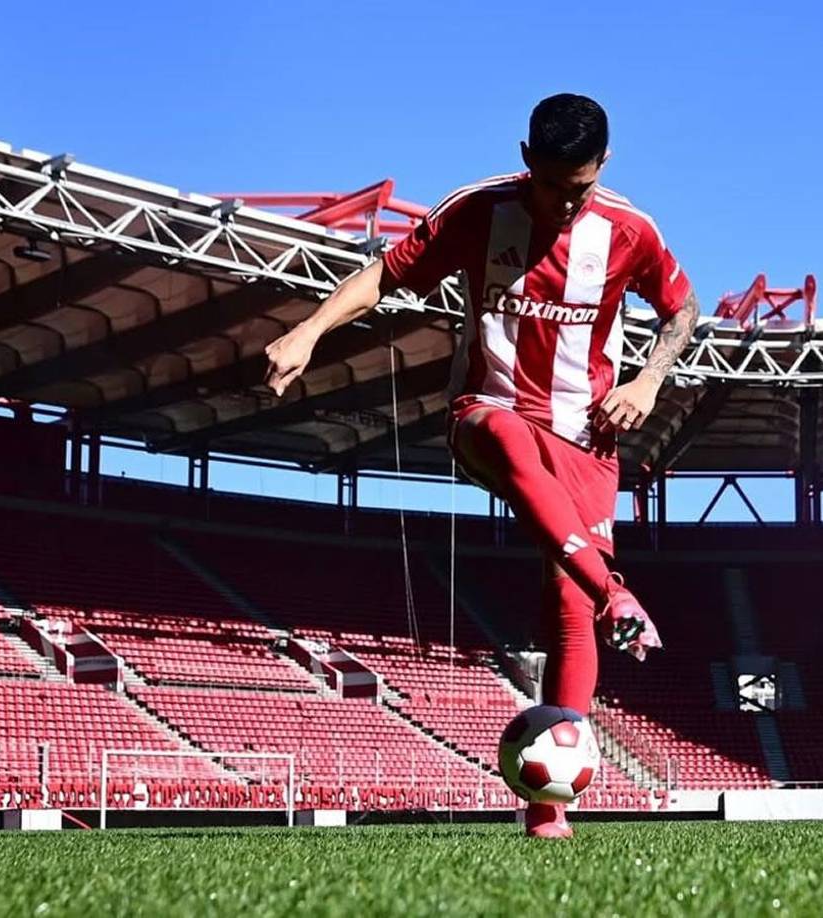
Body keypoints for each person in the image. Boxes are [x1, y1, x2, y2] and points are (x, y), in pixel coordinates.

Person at [264, 93, 699, 838]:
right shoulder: (478, 211)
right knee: (506, 437)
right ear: (527, 160)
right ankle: (615, 592)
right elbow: (384, 275)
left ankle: (547, 809)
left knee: (567, 608)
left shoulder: (630, 230)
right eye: (554, 186)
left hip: (585, 435)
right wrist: (307, 331)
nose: (567, 205)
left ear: (606, 166)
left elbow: (682, 311)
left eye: (582, 187)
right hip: (486, 410)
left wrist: (650, 378)